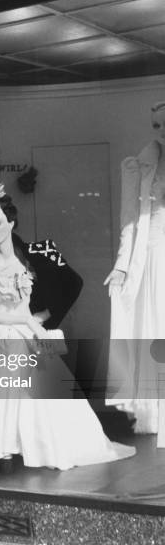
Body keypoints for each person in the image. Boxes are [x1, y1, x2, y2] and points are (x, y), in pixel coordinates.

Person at [0, 180, 135, 473]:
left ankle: (38, 441)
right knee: (8, 341)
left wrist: (40, 319)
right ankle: (0, 443)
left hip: (27, 332)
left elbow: (73, 284)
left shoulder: (35, 254)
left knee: (29, 350)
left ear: (11, 222)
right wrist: (22, 320)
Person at [104, 102, 165, 439]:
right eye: (156, 125)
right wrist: (121, 266)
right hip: (154, 259)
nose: (162, 131)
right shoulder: (138, 166)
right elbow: (129, 221)